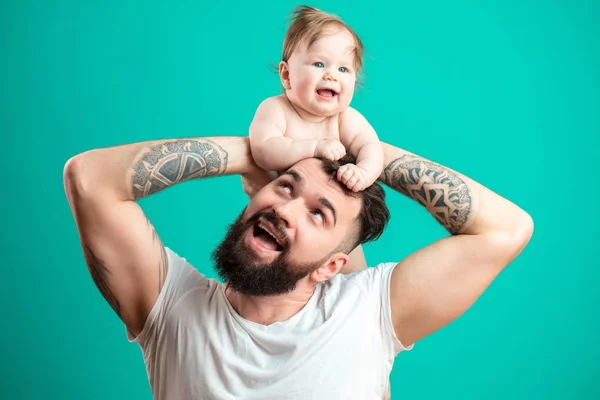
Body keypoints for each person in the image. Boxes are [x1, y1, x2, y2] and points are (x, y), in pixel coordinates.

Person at [63, 136, 533, 399]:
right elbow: (88, 179)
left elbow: (507, 229)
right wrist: (258, 149)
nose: (286, 209)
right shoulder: (171, 306)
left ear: (332, 266)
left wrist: (369, 151)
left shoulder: (368, 313)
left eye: (318, 213)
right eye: (286, 187)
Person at [245, 5, 384, 197]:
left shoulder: (345, 118)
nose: (332, 76)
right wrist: (315, 147)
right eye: (319, 64)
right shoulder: (276, 109)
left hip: (321, 207)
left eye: (343, 69)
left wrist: (363, 172)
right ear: (286, 75)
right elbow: (263, 150)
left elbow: (371, 147)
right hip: (277, 201)